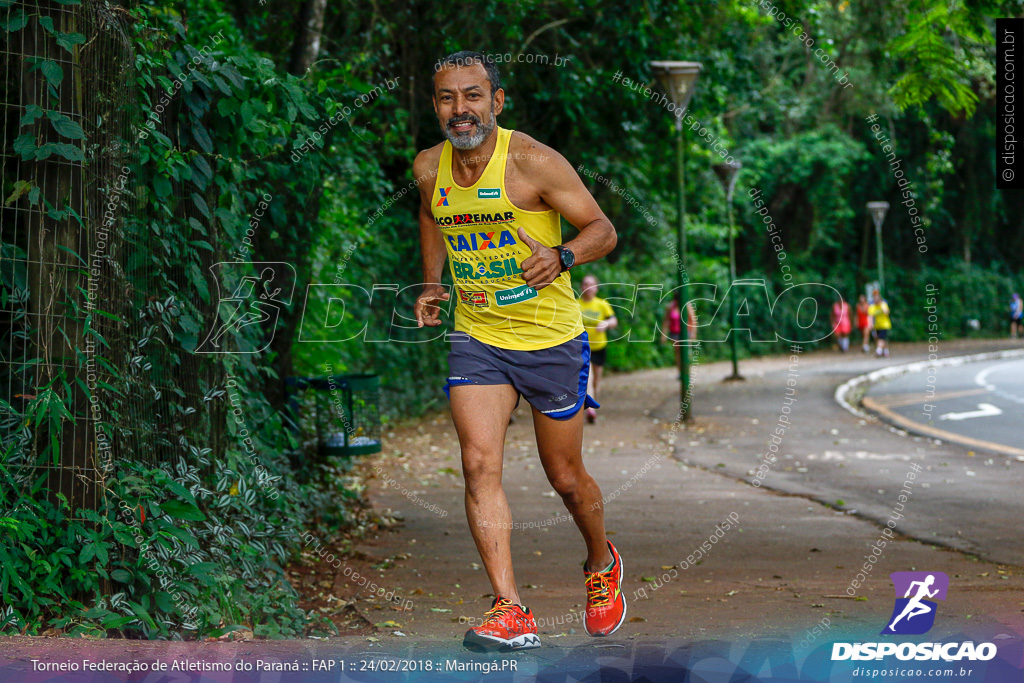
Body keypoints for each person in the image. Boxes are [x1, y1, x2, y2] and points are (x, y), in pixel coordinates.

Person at [413, 51, 625, 653]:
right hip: (478, 334)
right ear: (436, 106)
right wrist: (434, 281)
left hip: (550, 338)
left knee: (564, 476)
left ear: (497, 102)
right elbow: (432, 215)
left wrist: (563, 256)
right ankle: (510, 609)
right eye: (448, 98)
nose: (461, 110)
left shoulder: (533, 161)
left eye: (473, 96)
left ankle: (599, 563)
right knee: (479, 464)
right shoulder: (429, 166)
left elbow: (602, 230)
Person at [578, 275, 617, 423]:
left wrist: (606, 324)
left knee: (596, 380)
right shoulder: (576, 304)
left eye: (591, 284)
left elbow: (614, 320)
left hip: (599, 346)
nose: (588, 287)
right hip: (582, 347)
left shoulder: (602, 304)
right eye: (585, 284)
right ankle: (591, 410)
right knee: (588, 377)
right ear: (582, 287)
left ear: (596, 288)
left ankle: (592, 401)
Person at [868, 289, 892, 358]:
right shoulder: (872, 306)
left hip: (885, 324)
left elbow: (887, 312)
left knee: (881, 338)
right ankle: (886, 351)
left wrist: (882, 307)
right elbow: (870, 316)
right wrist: (870, 324)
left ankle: (878, 351)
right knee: (880, 339)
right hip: (877, 325)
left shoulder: (883, 304)